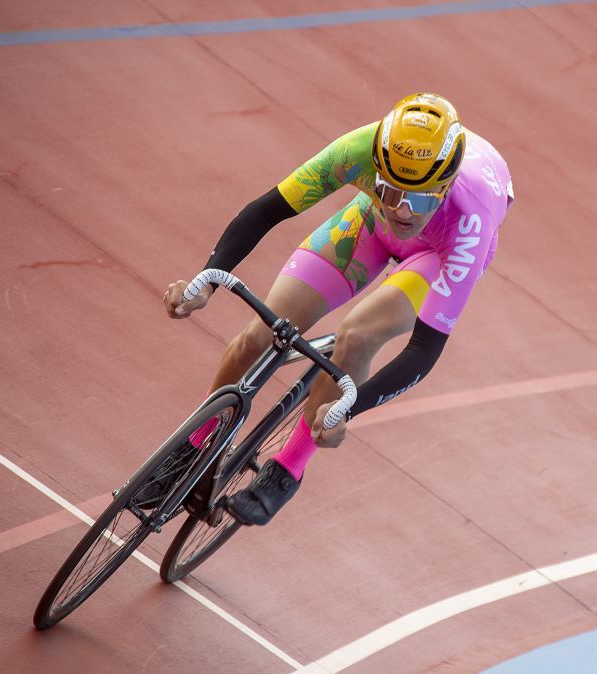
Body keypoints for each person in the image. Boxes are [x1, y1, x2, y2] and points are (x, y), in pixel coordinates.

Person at [163, 93, 513, 526]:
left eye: (420, 200)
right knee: (258, 335)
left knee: (359, 334)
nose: (402, 211)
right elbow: (269, 208)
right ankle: (194, 446)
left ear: (442, 187)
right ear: (378, 169)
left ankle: (289, 467)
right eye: (389, 190)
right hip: (368, 225)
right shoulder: (360, 151)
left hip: (439, 254)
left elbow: (424, 350)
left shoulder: (470, 220)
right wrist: (206, 281)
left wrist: (348, 408)